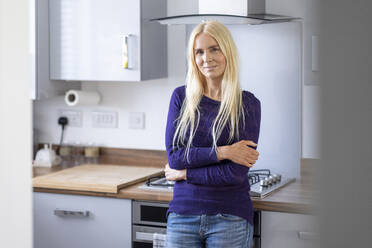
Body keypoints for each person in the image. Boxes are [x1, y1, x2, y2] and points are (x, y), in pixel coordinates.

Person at [164, 20, 261, 248]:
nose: (206, 58)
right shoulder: (181, 98)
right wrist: (224, 151)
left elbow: (234, 174)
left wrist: (184, 174)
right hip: (183, 215)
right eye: (199, 51)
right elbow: (175, 158)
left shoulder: (247, 104)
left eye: (214, 49)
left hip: (230, 216)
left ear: (227, 52)